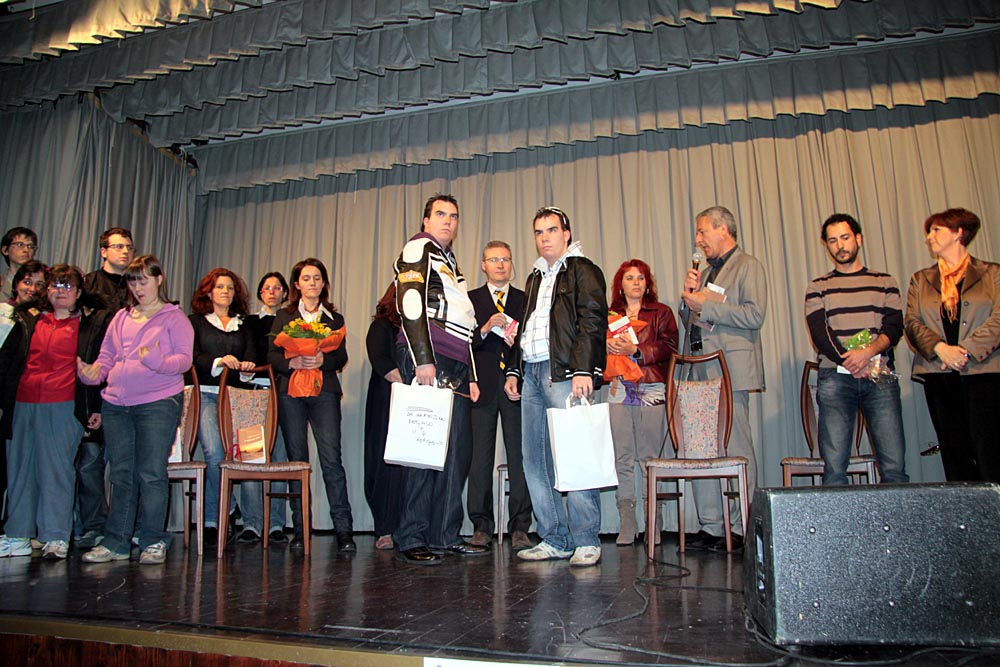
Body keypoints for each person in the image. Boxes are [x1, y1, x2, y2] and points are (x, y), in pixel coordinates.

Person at [504, 206, 608, 567]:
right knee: (534, 461)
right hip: (532, 372)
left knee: (576, 456)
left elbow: (593, 321)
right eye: (538, 232)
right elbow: (526, 327)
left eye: (551, 230)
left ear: (566, 233)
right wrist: (514, 370)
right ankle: (554, 537)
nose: (544, 237)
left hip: (565, 373)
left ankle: (586, 539)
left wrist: (584, 369)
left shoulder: (583, 270)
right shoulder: (535, 277)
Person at [78, 255, 194, 565]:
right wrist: (93, 373)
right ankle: (116, 542)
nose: (138, 288)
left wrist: (156, 361)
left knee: (151, 473)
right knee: (121, 473)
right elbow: (106, 356)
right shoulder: (121, 317)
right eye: (133, 282)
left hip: (158, 403)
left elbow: (184, 360)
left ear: (159, 279)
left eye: (143, 281)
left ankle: (153, 540)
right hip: (117, 404)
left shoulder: (174, 318)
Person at [393, 194, 486, 565]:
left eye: (454, 216)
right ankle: (411, 535)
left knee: (457, 452)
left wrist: (472, 375)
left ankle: (445, 534)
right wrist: (423, 359)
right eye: (441, 214)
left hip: (457, 364)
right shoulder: (418, 248)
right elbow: (410, 302)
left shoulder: (450, 262)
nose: (448, 221)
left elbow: (467, 322)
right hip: (429, 357)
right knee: (423, 448)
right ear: (426, 220)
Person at [0, 265, 110, 559]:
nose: (61, 292)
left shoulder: (89, 325)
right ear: (45, 291)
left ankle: (56, 536)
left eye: (67, 286)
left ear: (79, 292)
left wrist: (96, 407)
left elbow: (100, 369)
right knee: (19, 471)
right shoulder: (28, 320)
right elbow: (6, 361)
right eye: (55, 286)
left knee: (57, 471)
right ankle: (18, 535)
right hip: (22, 403)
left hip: (63, 403)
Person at [679, 205, 766, 551]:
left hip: (730, 369)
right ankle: (713, 526)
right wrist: (688, 300)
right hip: (699, 367)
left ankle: (744, 527)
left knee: (736, 447)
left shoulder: (747, 265)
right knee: (700, 449)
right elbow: (693, 320)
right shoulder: (704, 273)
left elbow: (755, 315)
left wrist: (705, 305)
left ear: (723, 229)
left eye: (702, 231)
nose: (698, 239)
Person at [804, 214, 909, 485]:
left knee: (894, 468)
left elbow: (894, 327)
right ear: (826, 245)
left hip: (880, 375)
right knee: (834, 470)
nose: (840, 246)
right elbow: (820, 333)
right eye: (832, 241)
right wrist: (850, 361)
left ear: (858, 239)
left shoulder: (885, 281)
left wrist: (867, 353)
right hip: (835, 378)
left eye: (845, 237)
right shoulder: (818, 287)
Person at [904, 208, 1000, 483]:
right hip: (939, 374)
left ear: (959, 233)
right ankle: (964, 511)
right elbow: (911, 322)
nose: (929, 237)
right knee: (954, 453)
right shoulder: (921, 279)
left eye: (936, 230)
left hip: (984, 373)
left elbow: (998, 319)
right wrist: (941, 349)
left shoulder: (992, 273)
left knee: (990, 450)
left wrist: (965, 350)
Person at [268, 258, 354, 552]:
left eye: (317, 278)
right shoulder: (284, 316)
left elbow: (341, 357)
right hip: (291, 393)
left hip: (324, 392)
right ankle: (300, 530)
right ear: (297, 284)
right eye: (306, 278)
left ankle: (344, 531)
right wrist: (291, 362)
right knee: (297, 461)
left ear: (324, 283)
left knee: (331, 460)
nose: (312, 283)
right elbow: (272, 355)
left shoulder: (334, 319)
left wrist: (323, 359)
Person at [606, 259, 678, 545]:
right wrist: (606, 346)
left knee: (650, 458)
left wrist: (636, 350)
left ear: (648, 284)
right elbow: (593, 348)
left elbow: (671, 347)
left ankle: (653, 522)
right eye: (629, 278)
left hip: (651, 386)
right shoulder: (609, 315)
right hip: (618, 387)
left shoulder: (662, 312)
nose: (635, 282)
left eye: (640, 278)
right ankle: (627, 522)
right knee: (622, 456)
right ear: (620, 285)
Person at [466, 241, 533, 550]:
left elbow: (531, 342)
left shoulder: (524, 299)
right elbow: (461, 344)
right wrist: (484, 329)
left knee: (520, 457)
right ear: (483, 265)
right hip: (481, 387)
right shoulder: (470, 299)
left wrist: (516, 368)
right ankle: (481, 526)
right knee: (479, 458)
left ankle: (520, 526)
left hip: (517, 386)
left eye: (505, 259)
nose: (500, 265)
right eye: (494, 259)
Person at [75, 227, 136, 550]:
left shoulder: (138, 285)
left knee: (127, 464)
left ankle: (126, 527)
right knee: (90, 461)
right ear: (103, 251)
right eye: (118, 246)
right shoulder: (87, 285)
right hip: (94, 382)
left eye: (129, 247)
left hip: (130, 382)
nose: (124, 252)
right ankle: (94, 525)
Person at [189, 268, 257, 547]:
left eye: (230, 288)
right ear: (208, 292)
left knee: (248, 457)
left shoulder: (244, 324)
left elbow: (251, 356)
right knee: (215, 453)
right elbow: (193, 356)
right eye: (219, 287)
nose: (225, 292)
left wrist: (247, 368)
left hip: (239, 399)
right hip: (206, 395)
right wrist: (219, 361)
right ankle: (219, 515)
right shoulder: (195, 322)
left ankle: (240, 522)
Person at [239, 271, 291, 543]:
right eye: (267, 288)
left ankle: (276, 525)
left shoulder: (291, 322)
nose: (272, 292)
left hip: (280, 392)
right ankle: (251, 523)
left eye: (277, 287)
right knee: (251, 457)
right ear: (260, 293)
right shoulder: (247, 322)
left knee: (279, 457)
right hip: (251, 393)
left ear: (285, 293)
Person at [0, 259, 46, 531]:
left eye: (39, 284)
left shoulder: (42, 320)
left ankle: (15, 528)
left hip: (26, 402)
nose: (32, 288)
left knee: (17, 469)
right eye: (27, 282)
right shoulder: (4, 314)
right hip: (6, 401)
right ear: (16, 284)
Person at [363, 283, 405, 551]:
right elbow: (380, 360)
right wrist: (408, 384)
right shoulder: (381, 326)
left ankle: (410, 528)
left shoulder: (425, 329)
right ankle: (385, 529)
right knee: (386, 465)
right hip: (387, 401)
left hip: (417, 403)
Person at [1, 227, 39, 301]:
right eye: (20, 245)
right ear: (5, 250)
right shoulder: (1, 283)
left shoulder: (42, 284)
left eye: (30, 246)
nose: (26, 250)